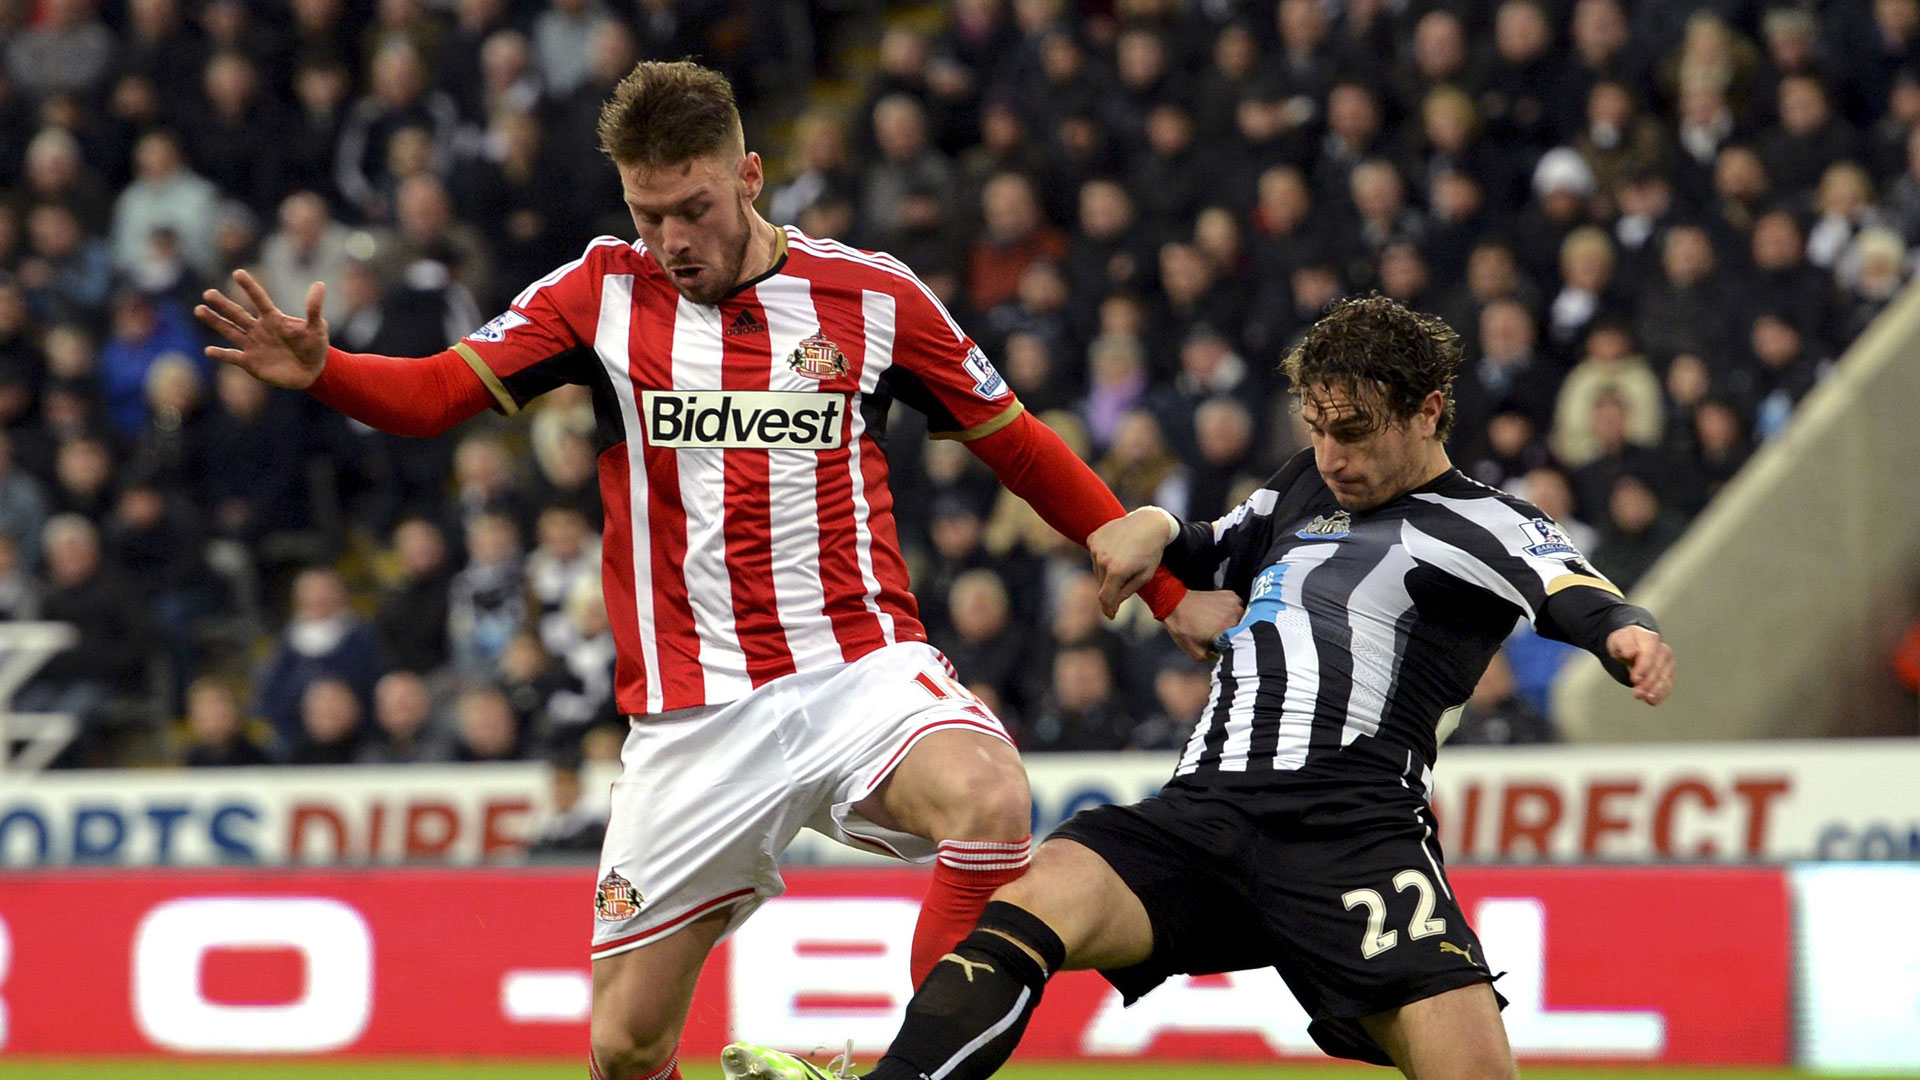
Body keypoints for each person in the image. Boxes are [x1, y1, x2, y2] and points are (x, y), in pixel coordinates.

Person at [194, 59, 1216, 1080]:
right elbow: (431, 396)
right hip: (693, 715)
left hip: (859, 668)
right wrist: (325, 370)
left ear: (750, 175)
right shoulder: (596, 293)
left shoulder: (871, 297)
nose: (672, 240)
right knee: (626, 1046)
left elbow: (1019, 445)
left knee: (991, 798)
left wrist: (1166, 586)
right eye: (648, 214)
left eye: (692, 207)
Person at [723, 296, 1677, 1080]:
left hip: (1350, 832)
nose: (1333, 456)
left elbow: (1566, 586)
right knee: (1030, 900)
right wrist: (1151, 523)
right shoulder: (1307, 484)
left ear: (1430, 410)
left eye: (1354, 432)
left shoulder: (1485, 522)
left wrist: (1626, 632)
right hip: (1203, 812)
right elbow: (1215, 542)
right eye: (1317, 429)